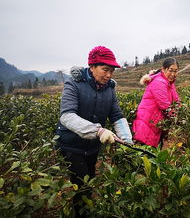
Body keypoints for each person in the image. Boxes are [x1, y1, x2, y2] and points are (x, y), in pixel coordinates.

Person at [55, 46, 133, 217]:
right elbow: (67, 116)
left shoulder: (109, 89)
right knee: (83, 184)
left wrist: (127, 140)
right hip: (71, 145)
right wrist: (98, 131)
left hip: (92, 146)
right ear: (91, 66)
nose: (109, 75)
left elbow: (117, 116)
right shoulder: (73, 84)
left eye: (112, 71)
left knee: (89, 178)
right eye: (105, 69)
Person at [132, 57, 180, 148]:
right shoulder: (159, 82)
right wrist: (180, 120)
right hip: (147, 123)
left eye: (176, 71)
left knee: (153, 155)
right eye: (170, 70)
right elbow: (165, 106)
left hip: (156, 123)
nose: (173, 74)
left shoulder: (170, 84)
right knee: (145, 155)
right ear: (164, 69)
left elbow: (177, 101)